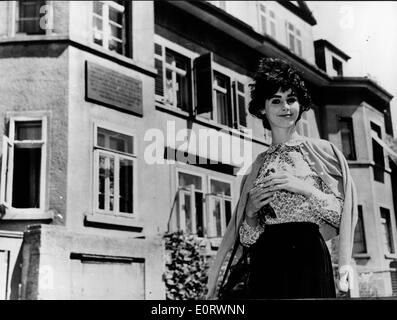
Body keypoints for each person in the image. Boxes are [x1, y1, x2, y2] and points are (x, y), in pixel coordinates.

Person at [206, 58, 358, 299]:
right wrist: (250, 214)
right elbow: (246, 239)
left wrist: (304, 189)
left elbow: (341, 216)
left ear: (300, 104)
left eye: (291, 99)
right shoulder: (257, 166)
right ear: (263, 109)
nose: (285, 107)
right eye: (276, 101)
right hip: (266, 261)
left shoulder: (323, 152)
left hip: (310, 258)